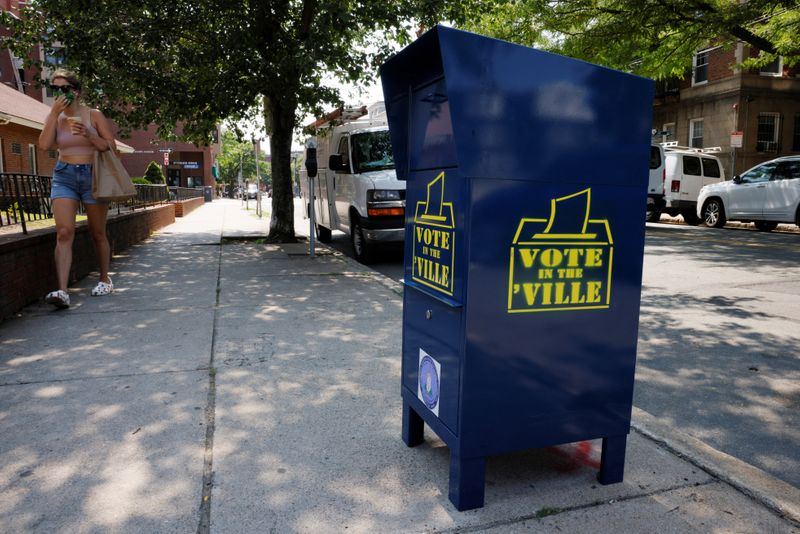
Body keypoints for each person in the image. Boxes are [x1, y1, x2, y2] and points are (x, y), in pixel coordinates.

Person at [38, 69, 117, 309]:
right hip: (64, 175)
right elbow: (43, 145)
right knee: (63, 232)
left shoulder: (93, 115)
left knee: (97, 233)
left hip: (92, 175)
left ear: (76, 91)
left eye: (64, 89)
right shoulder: (55, 116)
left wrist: (89, 134)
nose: (60, 94)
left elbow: (109, 147)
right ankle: (62, 291)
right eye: (56, 89)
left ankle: (105, 279)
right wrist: (53, 114)